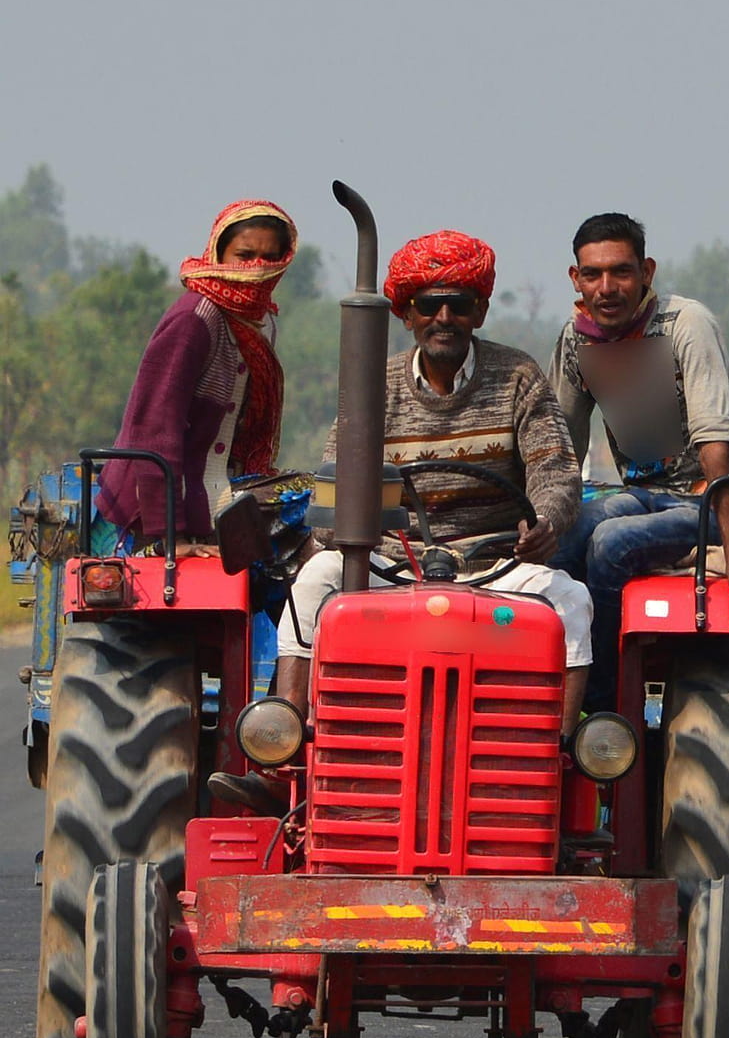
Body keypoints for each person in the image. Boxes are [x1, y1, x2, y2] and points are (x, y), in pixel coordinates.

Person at [209, 229, 592, 815]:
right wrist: (337, 534)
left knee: (571, 599)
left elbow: (555, 470)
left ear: (480, 311)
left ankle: (556, 770)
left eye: (459, 304)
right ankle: (284, 764)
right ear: (406, 313)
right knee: (314, 583)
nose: (445, 317)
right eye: (430, 305)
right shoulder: (375, 386)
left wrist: (544, 521)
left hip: (493, 566)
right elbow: (340, 478)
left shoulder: (518, 377)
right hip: (395, 563)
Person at [548, 211, 729, 710]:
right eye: (593, 274)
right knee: (567, 535)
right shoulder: (576, 341)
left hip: (719, 503)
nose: (607, 287)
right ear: (576, 279)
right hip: (646, 497)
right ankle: (542, 691)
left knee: (612, 541)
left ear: (647, 272)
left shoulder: (685, 325)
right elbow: (559, 447)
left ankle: (602, 706)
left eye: (621, 271)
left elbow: (715, 443)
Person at [95, 199, 298, 558]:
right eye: (244, 255)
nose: (256, 269)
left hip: (212, 495)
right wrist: (172, 537)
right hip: (150, 516)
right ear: (219, 253)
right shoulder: (196, 319)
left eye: (269, 258)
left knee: (305, 504)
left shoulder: (258, 323)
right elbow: (154, 430)